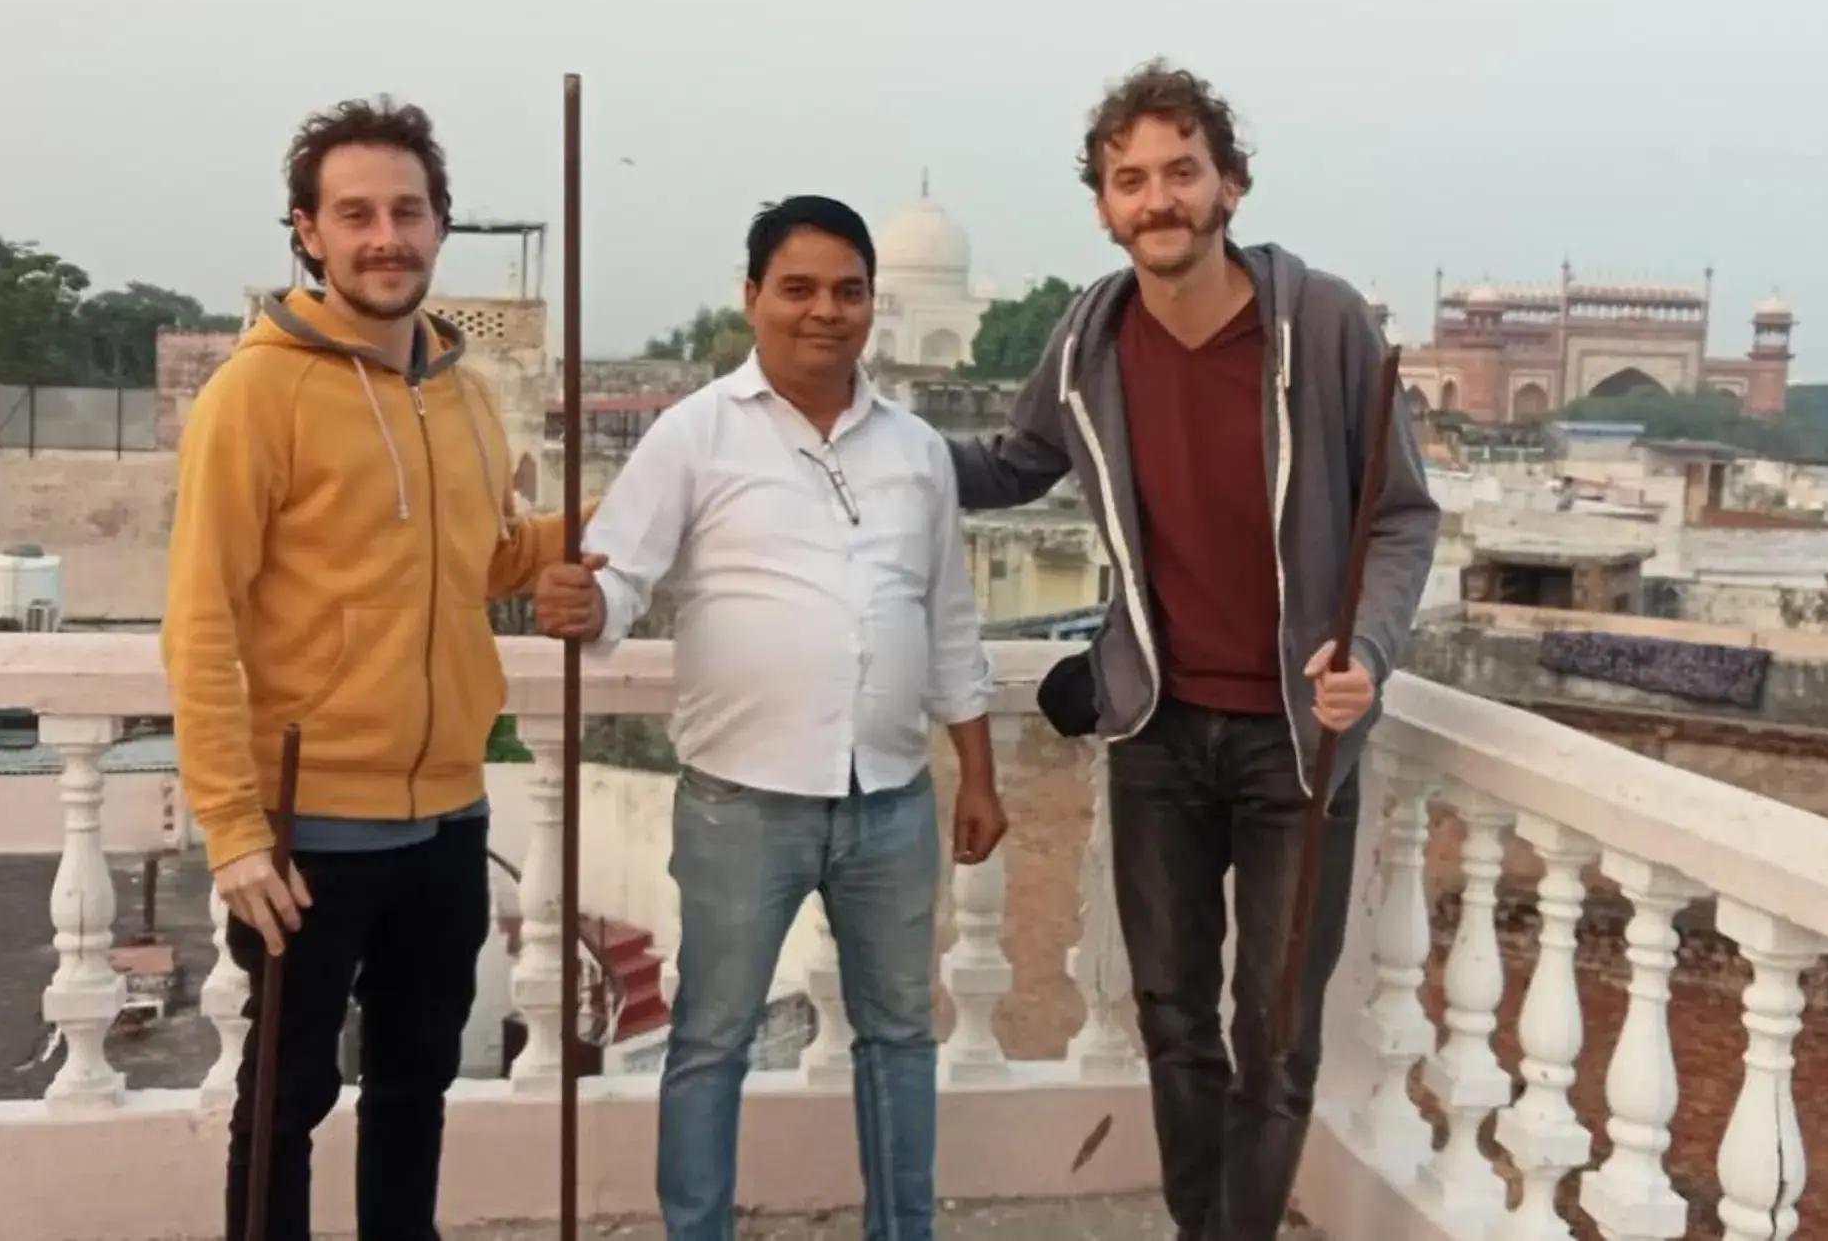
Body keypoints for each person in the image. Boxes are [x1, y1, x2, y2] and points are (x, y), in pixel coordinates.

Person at [945, 60, 1441, 1241]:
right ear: (1105, 207)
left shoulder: (1317, 324)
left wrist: (1365, 647)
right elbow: (1014, 464)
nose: (1157, 199)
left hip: (1296, 739)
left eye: (1181, 172)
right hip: (1158, 728)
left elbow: (1402, 513)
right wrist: (858, 432)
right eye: (1131, 181)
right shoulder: (1091, 336)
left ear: (1231, 186)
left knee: (1275, 1031)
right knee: (1172, 1014)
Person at [531, 195, 1008, 1241]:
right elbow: (622, 581)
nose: (822, 312)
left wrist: (976, 770)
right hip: (743, 804)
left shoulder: (918, 450)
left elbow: (948, 617)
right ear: (752, 297)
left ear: (876, 303)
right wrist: (584, 602)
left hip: (889, 799)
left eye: (846, 291)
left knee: (897, 1039)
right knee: (710, 1039)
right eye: (797, 289)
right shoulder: (695, 435)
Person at [163, 97, 580, 1241]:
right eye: (355, 214)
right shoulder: (257, 394)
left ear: (441, 224)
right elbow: (199, 617)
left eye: (407, 210)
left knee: (415, 1084)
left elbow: (488, 557)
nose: (384, 235)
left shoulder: (462, 391)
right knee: (288, 1099)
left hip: (447, 808)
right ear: (307, 231)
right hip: (309, 823)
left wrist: (604, 523)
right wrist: (234, 828)